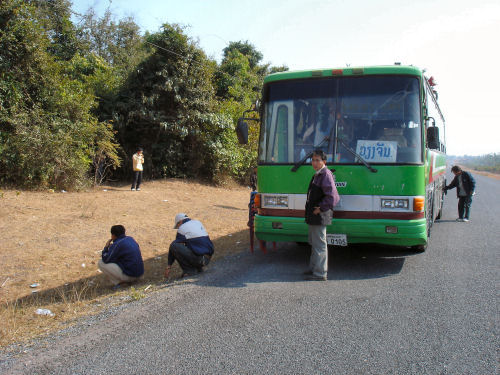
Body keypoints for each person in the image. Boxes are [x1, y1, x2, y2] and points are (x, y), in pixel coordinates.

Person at [304, 150, 340, 281]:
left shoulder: (325, 174)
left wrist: (321, 208)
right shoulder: (318, 174)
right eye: (313, 160)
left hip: (320, 215)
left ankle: (320, 274)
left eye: (317, 160)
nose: (314, 162)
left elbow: (333, 197)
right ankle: (313, 268)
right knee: (313, 242)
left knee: (319, 244)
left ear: (324, 162)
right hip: (313, 215)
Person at [164, 213, 214, 278]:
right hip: (207, 258)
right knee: (191, 245)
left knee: (174, 246)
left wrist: (169, 265)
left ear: (180, 222)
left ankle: (189, 271)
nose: (178, 227)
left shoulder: (182, 228)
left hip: (200, 259)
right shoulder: (198, 223)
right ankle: (198, 269)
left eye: (177, 225)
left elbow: (173, 247)